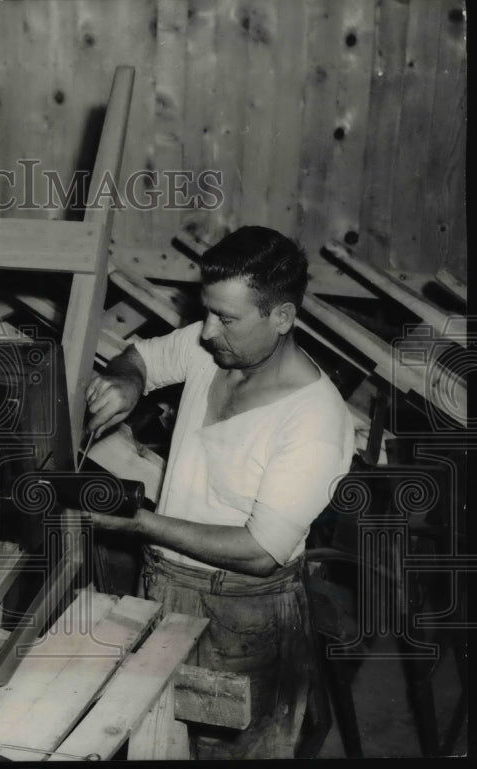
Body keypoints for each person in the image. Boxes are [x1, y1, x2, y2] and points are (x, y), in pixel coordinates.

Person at [85, 226, 355, 759]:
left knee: (227, 749)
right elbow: (141, 355)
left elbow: (260, 552)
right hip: (161, 587)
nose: (206, 332)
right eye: (206, 311)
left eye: (225, 319)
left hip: (244, 617)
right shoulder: (213, 349)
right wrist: (127, 381)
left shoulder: (314, 421)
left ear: (281, 317)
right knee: (152, 740)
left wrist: (140, 524)